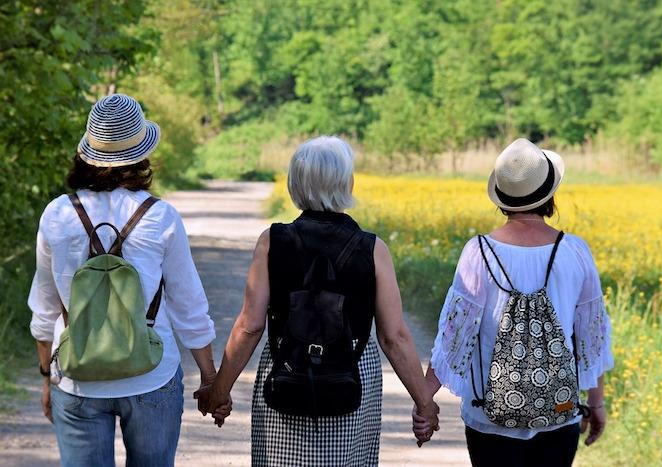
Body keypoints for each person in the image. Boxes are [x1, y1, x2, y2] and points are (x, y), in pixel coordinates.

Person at [195, 136, 440, 466]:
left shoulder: (272, 241)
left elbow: (249, 327)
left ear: (295, 183)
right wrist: (424, 403)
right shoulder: (373, 248)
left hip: (287, 367)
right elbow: (393, 337)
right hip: (352, 372)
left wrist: (220, 389)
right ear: (347, 182)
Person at [28, 93, 227, 467]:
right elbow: (189, 307)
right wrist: (210, 378)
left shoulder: (57, 214)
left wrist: (46, 378)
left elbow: (44, 307)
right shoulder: (160, 217)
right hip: (151, 373)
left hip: (77, 378)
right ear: (141, 154)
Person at [415, 138, 614, 466]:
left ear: (502, 198)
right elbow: (591, 339)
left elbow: (454, 338)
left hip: (488, 418)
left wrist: (424, 400)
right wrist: (596, 402)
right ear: (550, 195)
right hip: (559, 412)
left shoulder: (477, 252)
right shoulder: (575, 251)